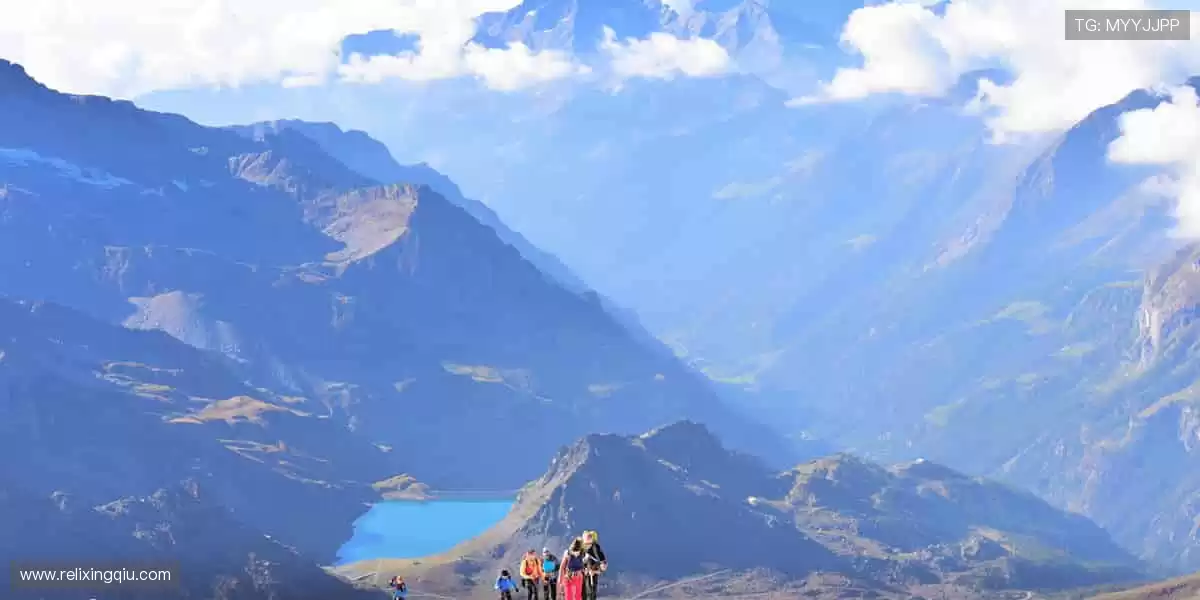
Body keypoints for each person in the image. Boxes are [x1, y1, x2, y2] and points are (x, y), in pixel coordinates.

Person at [580, 530, 607, 600]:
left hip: (591, 577)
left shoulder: (596, 549)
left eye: (588, 544)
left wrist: (594, 571)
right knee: (582, 595)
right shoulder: (581, 549)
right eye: (585, 544)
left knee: (590, 594)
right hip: (581, 577)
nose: (586, 546)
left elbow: (604, 565)